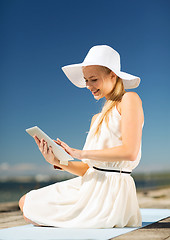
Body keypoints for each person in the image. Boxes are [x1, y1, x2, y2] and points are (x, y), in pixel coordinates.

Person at [19, 45, 144, 228]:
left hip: (110, 192)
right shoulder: (96, 119)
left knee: (31, 211)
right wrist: (58, 161)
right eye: (86, 80)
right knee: (25, 201)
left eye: (93, 79)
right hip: (91, 185)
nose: (88, 86)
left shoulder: (129, 99)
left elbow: (130, 152)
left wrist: (81, 153)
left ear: (113, 75)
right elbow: (90, 169)